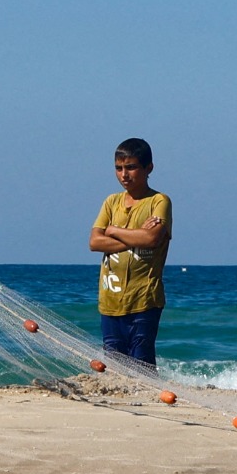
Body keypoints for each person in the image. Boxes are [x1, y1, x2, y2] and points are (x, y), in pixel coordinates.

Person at [89, 138, 172, 370]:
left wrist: (114, 231)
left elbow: (151, 239)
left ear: (148, 168)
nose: (124, 174)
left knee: (141, 361)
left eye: (131, 167)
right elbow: (95, 242)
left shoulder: (159, 201)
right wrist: (133, 236)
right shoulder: (111, 202)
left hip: (144, 299)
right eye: (119, 168)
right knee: (115, 363)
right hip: (110, 298)